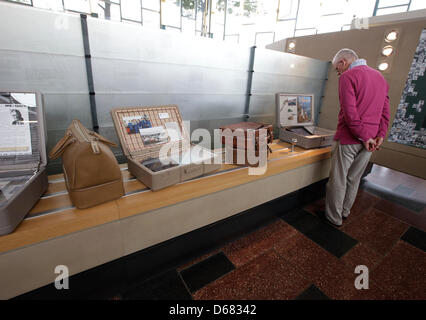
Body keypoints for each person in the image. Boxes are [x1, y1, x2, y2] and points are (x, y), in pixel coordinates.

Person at [322, 48, 390, 227]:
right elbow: (385, 112)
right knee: (354, 178)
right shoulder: (380, 77)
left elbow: (350, 113)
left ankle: (333, 217)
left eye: (338, 68)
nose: (338, 73)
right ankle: (345, 211)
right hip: (371, 141)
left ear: (343, 62)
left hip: (350, 137)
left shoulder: (348, 76)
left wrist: (364, 136)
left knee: (339, 179)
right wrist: (379, 136)